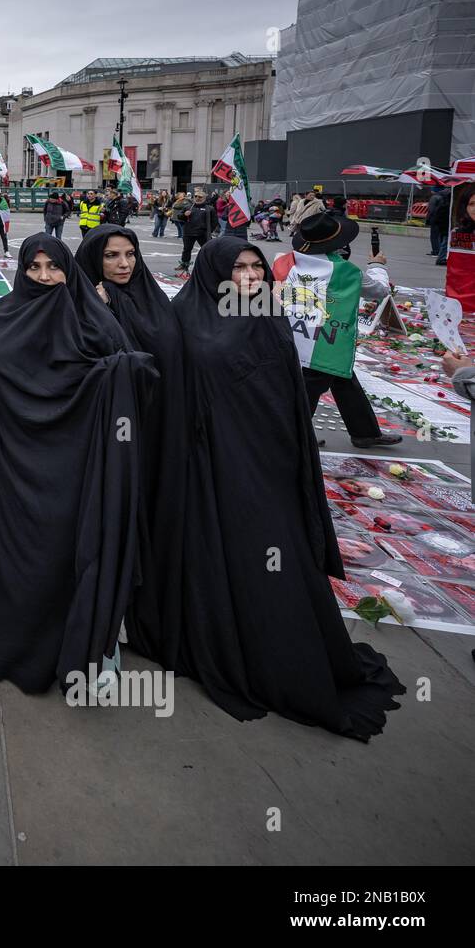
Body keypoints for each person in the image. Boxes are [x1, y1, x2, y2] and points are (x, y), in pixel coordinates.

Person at [170, 237, 405, 740]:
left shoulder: (269, 315)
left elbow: (288, 400)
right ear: (214, 270)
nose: (251, 276)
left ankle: (283, 652)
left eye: (258, 267)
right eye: (240, 267)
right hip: (206, 463)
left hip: (264, 463)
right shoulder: (185, 315)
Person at [0, 233, 155, 694]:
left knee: (68, 552)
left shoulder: (93, 319)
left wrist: (111, 374)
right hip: (14, 462)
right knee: (21, 557)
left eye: (53, 267)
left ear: (68, 270)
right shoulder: (6, 313)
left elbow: (121, 376)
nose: (43, 277)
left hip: (75, 463)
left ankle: (83, 642)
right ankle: (18, 640)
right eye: (33, 268)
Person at [75, 224, 190, 668]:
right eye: (111, 257)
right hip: (113, 439)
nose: (124, 264)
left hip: (159, 430)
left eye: (129, 254)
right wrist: (99, 315)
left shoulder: (154, 298)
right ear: (92, 261)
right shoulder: (85, 304)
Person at [276, 211, 402, 449]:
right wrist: (377, 265)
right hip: (324, 342)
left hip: (293, 335)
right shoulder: (345, 270)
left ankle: (364, 432)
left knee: (344, 379)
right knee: (311, 388)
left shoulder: (285, 261)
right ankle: (294, 437)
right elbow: (380, 291)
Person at [177, 188, 216, 273]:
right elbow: (179, 216)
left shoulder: (209, 208)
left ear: (204, 198)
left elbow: (214, 222)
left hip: (203, 233)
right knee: (187, 249)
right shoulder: (188, 207)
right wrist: (184, 214)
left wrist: (209, 231)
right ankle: (184, 264)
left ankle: (209, 265)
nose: (197, 198)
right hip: (189, 232)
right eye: (196, 196)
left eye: (200, 197)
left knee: (207, 249)